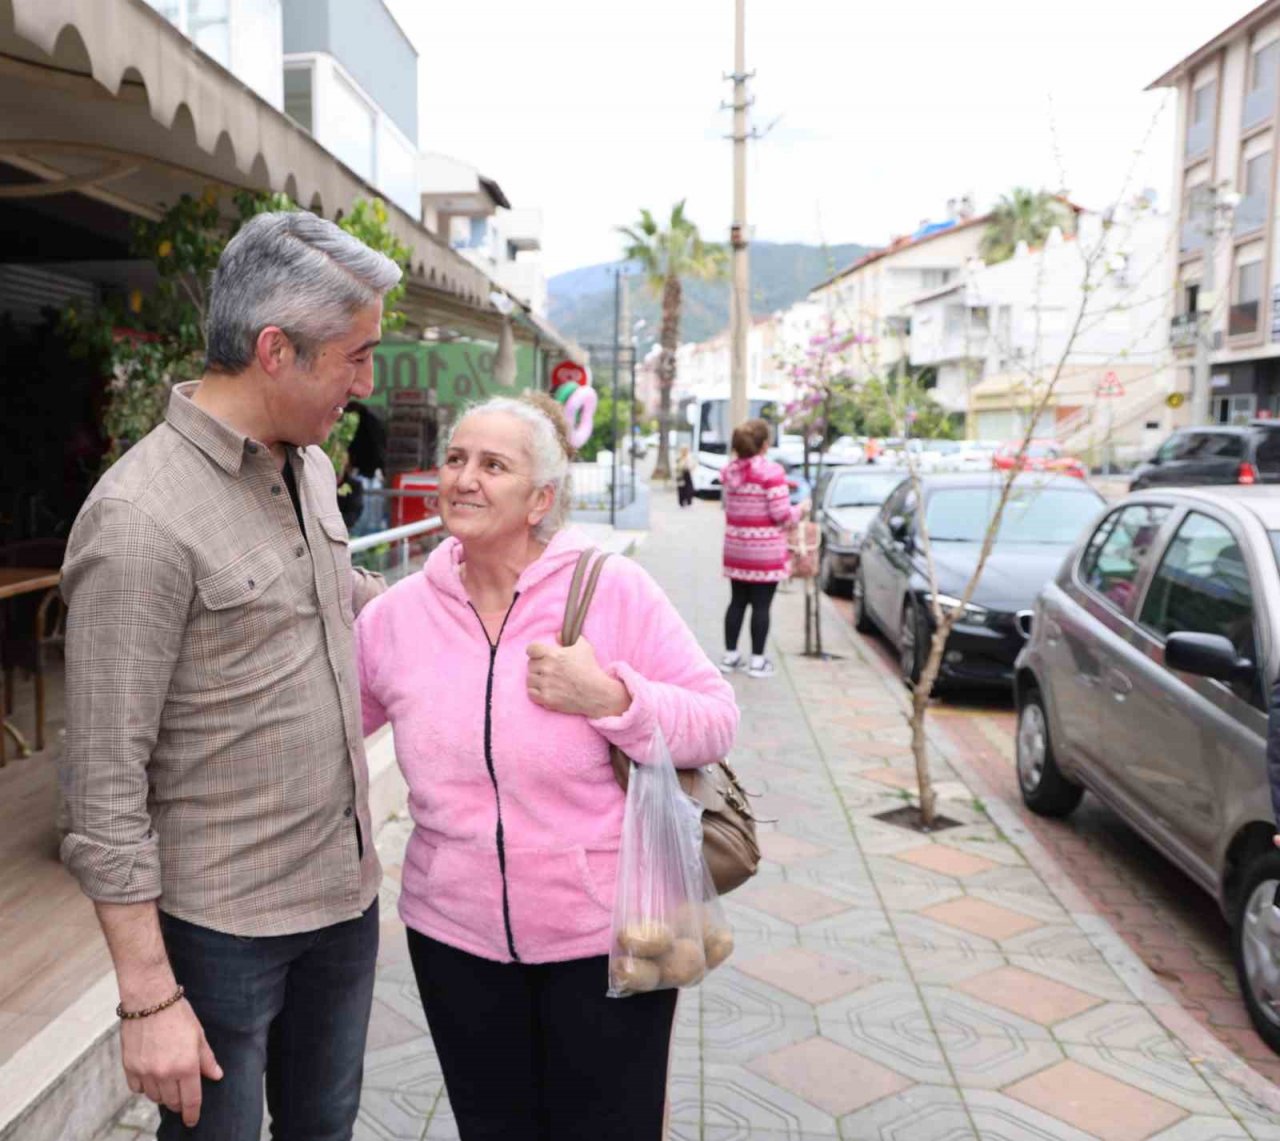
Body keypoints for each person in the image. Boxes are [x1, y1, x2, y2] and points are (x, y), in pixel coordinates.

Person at [58, 211, 401, 1140]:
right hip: (223, 937)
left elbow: (334, 594)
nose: (368, 386)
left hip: (345, 899)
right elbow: (102, 786)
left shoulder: (312, 465)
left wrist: (483, 596)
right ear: (276, 349)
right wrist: (146, 997)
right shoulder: (139, 517)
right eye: (357, 357)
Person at [355, 392, 738, 1140]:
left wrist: (610, 697)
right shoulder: (397, 618)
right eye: (456, 459)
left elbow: (716, 717)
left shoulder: (611, 589)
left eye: (493, 465)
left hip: (604, 936)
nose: (464, 478)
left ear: (540, 499)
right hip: (453, 938)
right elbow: (331, 734)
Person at [719, 418, 807, 679]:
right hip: (764, 551)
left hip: (736, 549)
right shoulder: (772, 473)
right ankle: (757, 662)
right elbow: (782, 514)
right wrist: (801, 509)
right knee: (761, 606)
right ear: (764, 445)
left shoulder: (730, 472)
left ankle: (730, 656)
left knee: (736, 602)